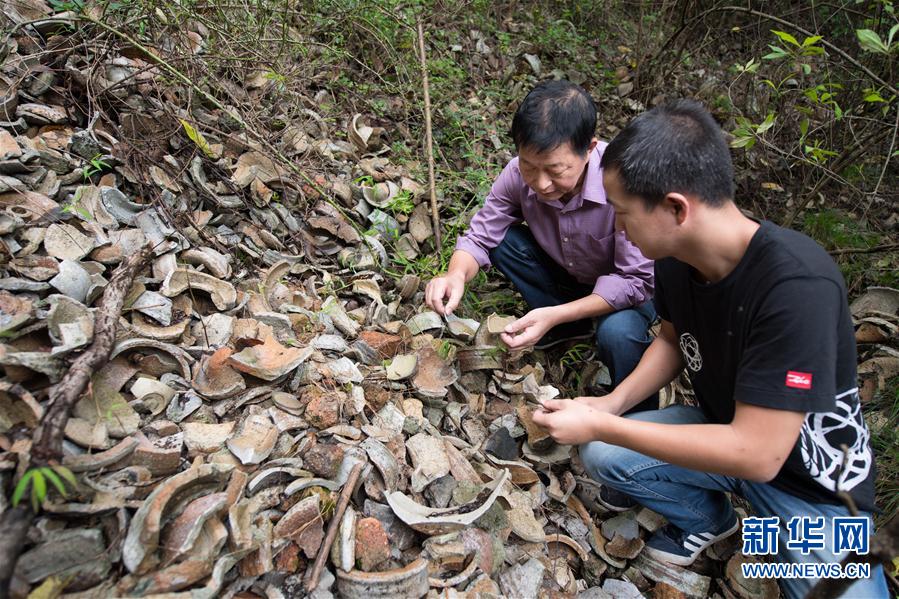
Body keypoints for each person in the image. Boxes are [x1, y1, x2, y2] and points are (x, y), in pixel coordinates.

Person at [532, 99, 888, 599]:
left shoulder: (796, 287)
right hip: (726, 438)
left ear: (677, 207)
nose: (617, 227)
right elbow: (674, 339)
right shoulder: (676, 257)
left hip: (810, 487)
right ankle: (709, 518)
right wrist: (608, 407)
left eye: (624, 213)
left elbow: (759, 454)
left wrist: (603, 421)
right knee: (604, 452)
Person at [424, 80, 656, 410]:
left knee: (618, 332)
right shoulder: (517, 175)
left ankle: (639, 419)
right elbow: (480, 235)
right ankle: (566, 325)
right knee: (504, 240)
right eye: (529, 166)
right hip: (570, 275)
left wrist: (555, 314)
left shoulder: (623, 182)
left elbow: (634, 281)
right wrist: (455, 275)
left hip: (630, 295)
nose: (541, 183)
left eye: (555, 170)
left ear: (589, 149)